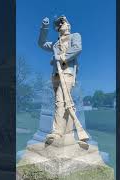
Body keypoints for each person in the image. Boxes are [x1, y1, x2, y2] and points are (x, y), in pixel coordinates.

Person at [38, 15, 89, 147]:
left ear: (68, 25)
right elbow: (42, 44)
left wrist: (61, 57)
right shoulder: (55, 44)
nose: (60, 25)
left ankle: (57, 132)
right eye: (58, 25)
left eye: (62, 23)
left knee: (61, 100)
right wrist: (44, 27)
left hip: (67, 72)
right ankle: (68, 132)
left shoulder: (75, 36)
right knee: (60, 102)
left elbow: (77, 48)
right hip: (55, 74)